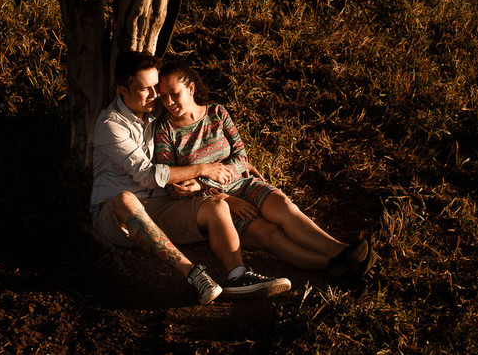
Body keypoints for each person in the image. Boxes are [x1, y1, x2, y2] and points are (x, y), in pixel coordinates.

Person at [89, 51, 292, 304]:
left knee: (217, 206)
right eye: (145, 90)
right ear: (123, 90)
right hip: (115, 215)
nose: (155, 96)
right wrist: (203, 169)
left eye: (156, 88)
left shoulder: (156, 115)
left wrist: (236, 163)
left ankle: (239, 275)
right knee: (125, 199)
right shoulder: (111, 125)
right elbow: (148, 176)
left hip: (160, 206)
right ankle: (194, 275)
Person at [153, 61, 377, 278]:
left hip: (242, 182)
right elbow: (174, 184)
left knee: (284, 207)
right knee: (271, 235)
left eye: (175, 93)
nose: (169, 101)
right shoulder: (165, 129)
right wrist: (210, 185)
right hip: (212, 200)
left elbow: (241, 156)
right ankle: (335, 266)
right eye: (163, 96)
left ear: (190, 88)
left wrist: (216, 173)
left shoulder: (217, 113)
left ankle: (338, 250)